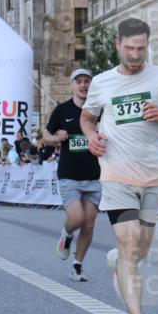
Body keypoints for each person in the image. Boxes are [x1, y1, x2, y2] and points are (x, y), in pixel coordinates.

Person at [80, 17, 158, 314]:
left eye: (141, 48)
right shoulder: (101, 82)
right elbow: (87, 116)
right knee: (130, 246)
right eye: (129, 48)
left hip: (152, 175)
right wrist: (91, 138)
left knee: (139, 251)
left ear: (148, 44)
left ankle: (116, 261)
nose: (135, 54)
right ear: (117, 45)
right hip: (115, 175)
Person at [44, 68, 102, 283]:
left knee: (89, 223)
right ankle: (66, 235)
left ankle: (77, 265)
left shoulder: (99, 110)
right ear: (72, 85)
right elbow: (46, 136)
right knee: (77, 218)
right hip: (69, 174)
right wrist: (56, 137)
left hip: (96, 175)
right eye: (79, 81)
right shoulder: (62, 110)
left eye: (87, 81)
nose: (83, 85)